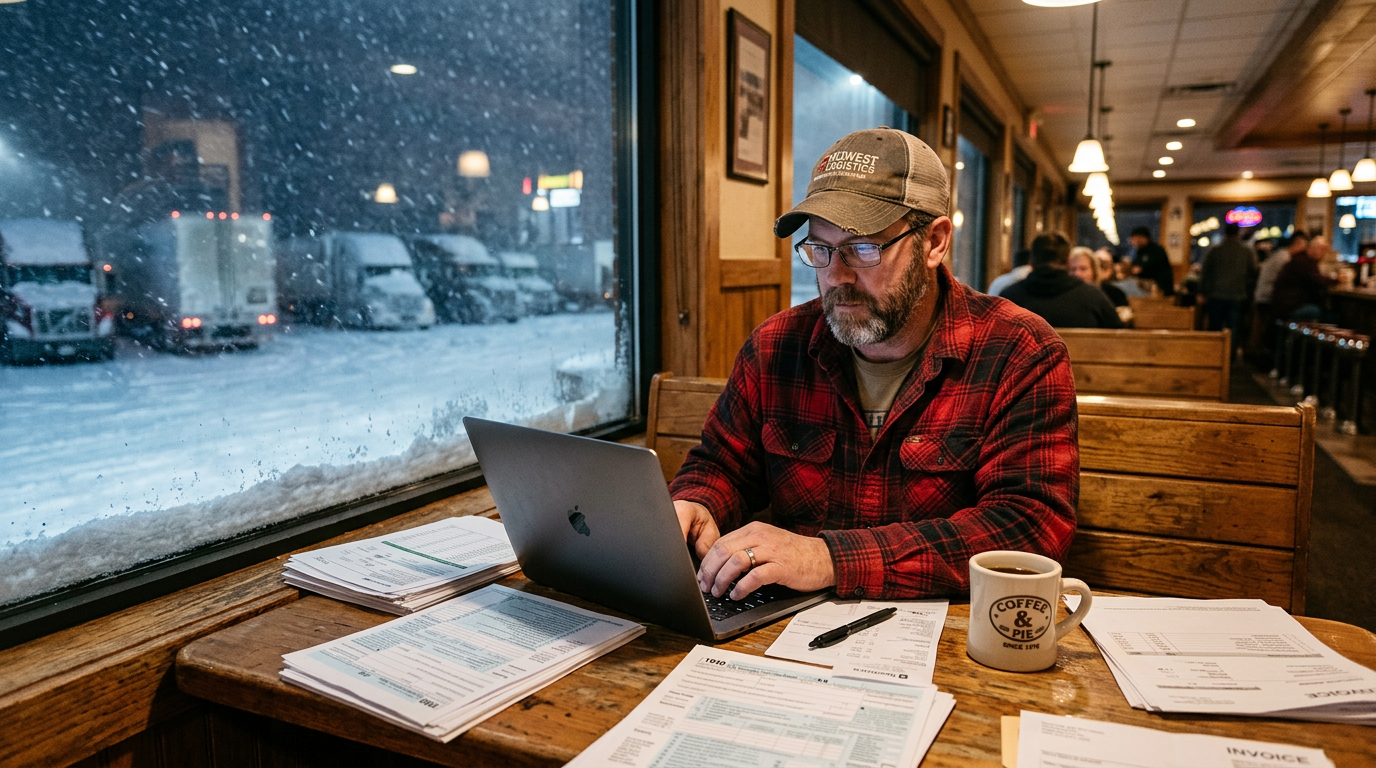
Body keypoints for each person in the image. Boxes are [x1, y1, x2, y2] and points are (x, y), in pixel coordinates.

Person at [669, 128, 1078, 602]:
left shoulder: (1020, 351)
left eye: (863, 248)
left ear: (935, 242)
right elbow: (723, 464)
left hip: (948, 647)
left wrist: (828, 560)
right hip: (784, 631)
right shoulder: (776, 345)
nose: (836, 276)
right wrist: (696, 501)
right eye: (820, 250)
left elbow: (1029, 528)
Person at [1001, 235, 1125, 328]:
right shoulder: (1094, 297)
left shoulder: (1009, 298)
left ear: (1031, 263)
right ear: (1068, 263)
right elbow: (1118, 336)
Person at [1198, 223, 1258, 348]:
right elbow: (1254, 271)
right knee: (1233, 328)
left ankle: (1213, 355)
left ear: (1225, 234)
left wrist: (1202, 292)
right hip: (1237, 295)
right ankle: (1230, 358)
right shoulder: (1246, 251)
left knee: (1215, 327)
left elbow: (1205, 272)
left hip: (1216, 295)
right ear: (1238, 234)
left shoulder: (1215, 250)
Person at [1272, 234, 1336, 321]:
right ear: (1311, 248)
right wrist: (1337, 279)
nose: (1322, 253)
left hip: (1283, 305)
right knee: (1329, 317)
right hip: (1288, 307)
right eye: (1321, 249)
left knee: (1326, 313)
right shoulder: (1304, 261)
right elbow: (1319, 281)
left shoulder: (1302, 259)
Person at [1129, 226, 1175, 298]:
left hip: (1159, 285)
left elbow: (1149, 266)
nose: (1134, 241)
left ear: (1144, 238)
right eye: (1133, 239)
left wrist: (1140, 269)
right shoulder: (1139, 251)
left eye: (1136, 238)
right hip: (1146, 284)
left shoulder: (1156, 250)